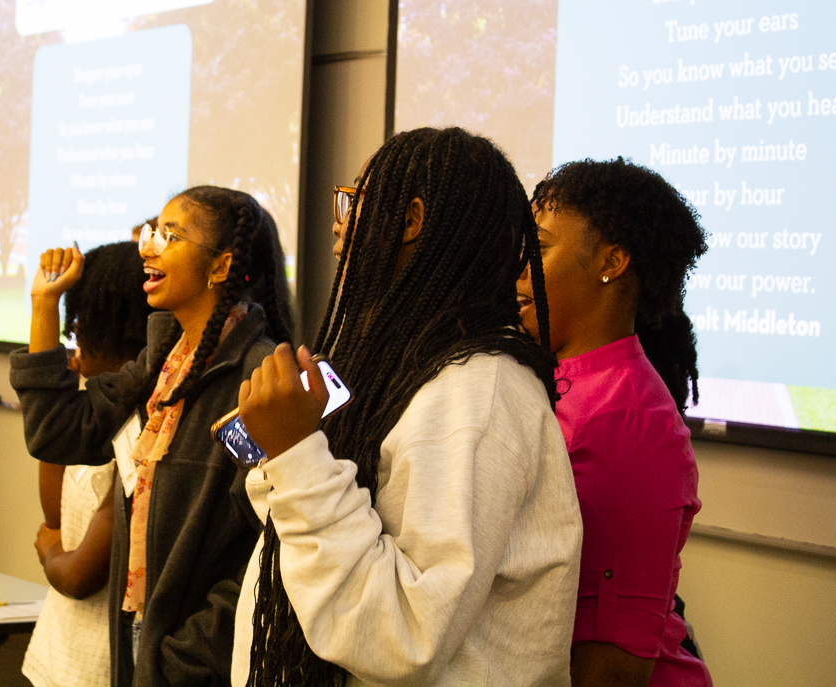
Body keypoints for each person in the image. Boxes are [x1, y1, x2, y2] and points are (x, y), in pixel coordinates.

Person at [232, 127, 583, 686]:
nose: (338, 224)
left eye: (354, 202)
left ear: (411, 219)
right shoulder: (410, 365)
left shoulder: (476, 393)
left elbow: (404, 634)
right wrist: (282, 449)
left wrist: (298, 456)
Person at [10, 186, 293, 686]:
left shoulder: (258, 375)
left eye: (170, 235)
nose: (147, 247)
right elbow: (56, 430)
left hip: (191, 665)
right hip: (139, 644)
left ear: (221, 266)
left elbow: (273, 545)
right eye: (151, 232)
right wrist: (43, 303)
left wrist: (184, 655)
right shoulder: (161, 363)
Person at [517, 158, 712, 686]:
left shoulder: (631, 420)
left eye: (541, 245)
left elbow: (613, 667)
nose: (519, 264)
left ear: (612, 262)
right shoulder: (552, 378)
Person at [23, 240, 154, 687]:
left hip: (101, 664)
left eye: (77, 326)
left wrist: (49, 551)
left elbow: (79, 575)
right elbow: (54, 514)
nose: (71, 337)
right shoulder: (93, 414)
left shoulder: (139, 430)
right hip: (58, 650)